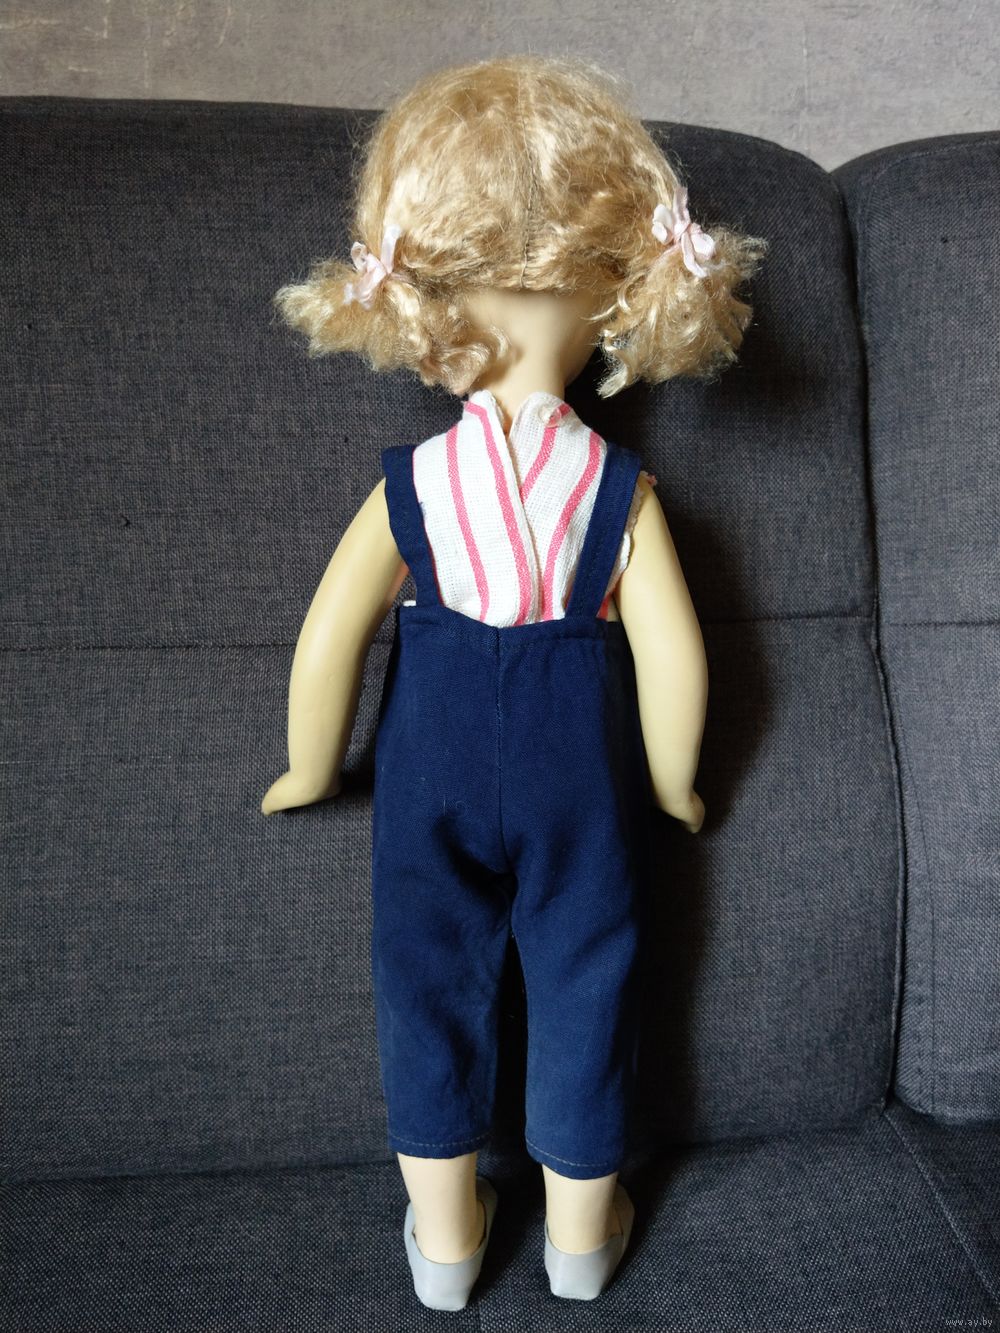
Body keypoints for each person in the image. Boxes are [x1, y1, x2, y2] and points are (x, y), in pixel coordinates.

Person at [261, 53, 767, 1310]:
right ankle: (582, 1239)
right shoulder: (619, 490)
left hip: (429, 760)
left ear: (420, 293)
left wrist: (311, 762)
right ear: (611, 295)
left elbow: (332, 635)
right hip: (576, 765)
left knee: (423, 974)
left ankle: (445, 1239)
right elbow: (674, 652)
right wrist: (674, 780)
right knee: (589, 973)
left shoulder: (414, 485)